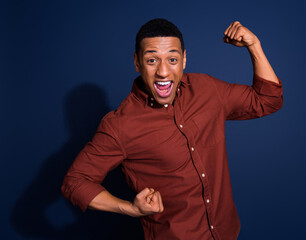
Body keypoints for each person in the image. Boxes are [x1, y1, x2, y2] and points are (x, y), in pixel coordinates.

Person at [62, 18, 283, 240]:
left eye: (172, 59)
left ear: (184, 59)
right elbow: (75, 182)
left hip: (227, 232)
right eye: (151, 60)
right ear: (137, 63)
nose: (163, 72)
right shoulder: (120, 125)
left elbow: (268, 99)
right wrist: (130, 208)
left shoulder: (207, 89)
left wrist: (254, 45)